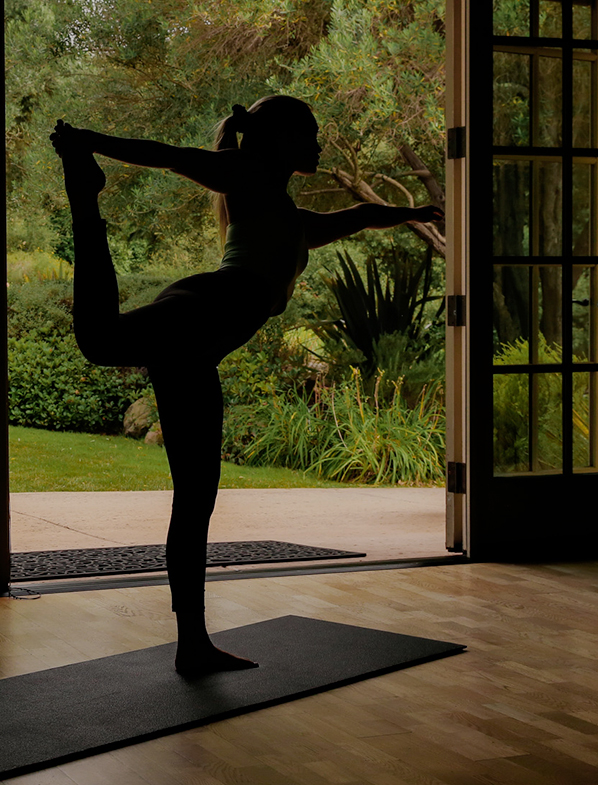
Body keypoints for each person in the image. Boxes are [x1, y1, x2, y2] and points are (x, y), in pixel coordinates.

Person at [49, 95, 442, 675]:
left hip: (198, 349)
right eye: (308, 132)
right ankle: (84, 191)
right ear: (277, 138)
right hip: (196, 313)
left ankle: (193, 646)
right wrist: (86, 138)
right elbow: (164, 155)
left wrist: (423, 212)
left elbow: (358, 217)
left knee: (196, 499)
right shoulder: (246, 176)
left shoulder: (284, 214)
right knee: (100, 341)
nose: (317, 143)